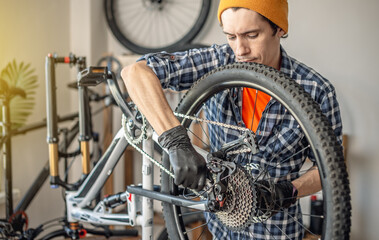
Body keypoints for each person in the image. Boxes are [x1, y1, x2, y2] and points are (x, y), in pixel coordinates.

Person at [121, 0, 343, 239]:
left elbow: (330, 170)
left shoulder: (316, 90)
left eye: (251, 35)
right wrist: (176, 141)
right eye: (231, 37)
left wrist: (287, 191)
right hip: (222, 228)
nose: (240, 50)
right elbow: (134, 73)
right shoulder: (219, 61)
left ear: (279, 28)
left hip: (277, 232)